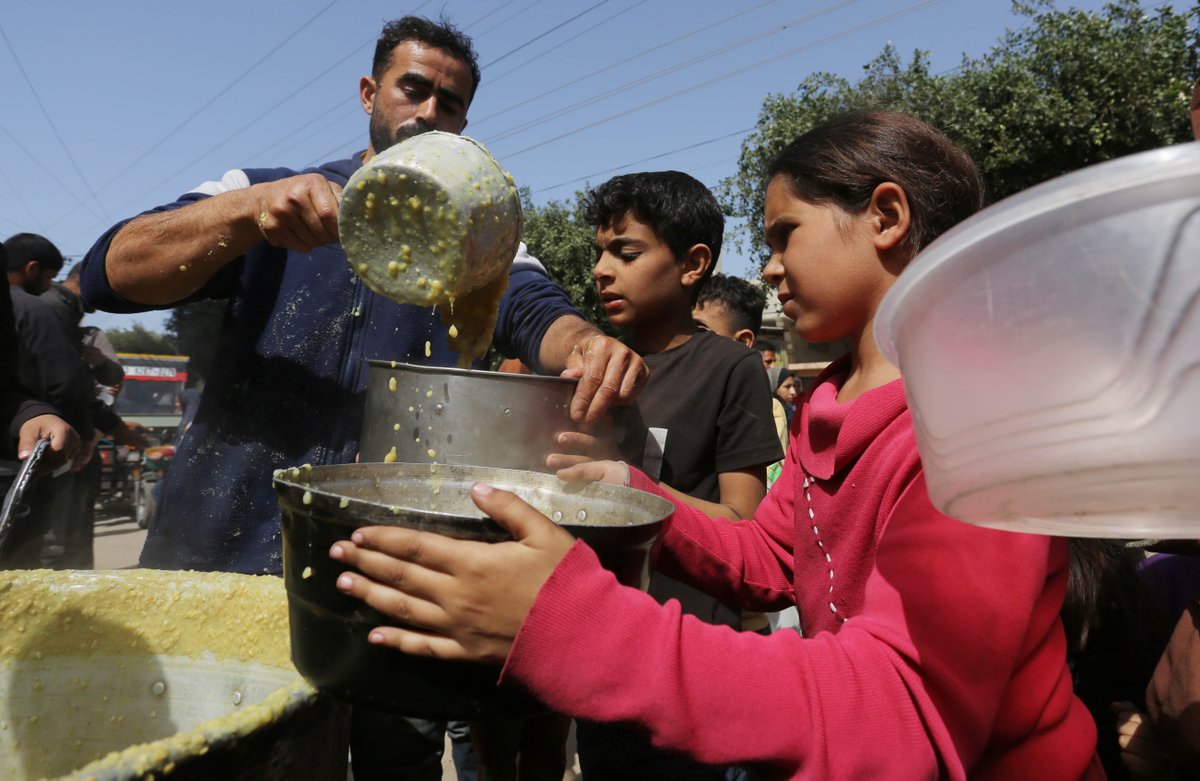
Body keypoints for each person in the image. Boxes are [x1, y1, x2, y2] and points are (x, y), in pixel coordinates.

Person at [328, 111, 1104, 779]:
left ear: (886, 216)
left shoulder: (974, 423)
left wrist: (573, 622)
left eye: (786, 234)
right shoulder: (831, 401)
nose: (768, 265)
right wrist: (633, 497)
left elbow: (903, 709)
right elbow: (772, 556)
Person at [78, 13, 644, 780]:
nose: (428, 113)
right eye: (414, 88)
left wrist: (585, 344)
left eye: (451, 103)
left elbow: (537, 309)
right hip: (220, 552)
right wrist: (251, 216)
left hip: (394, 582)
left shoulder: (482, 229)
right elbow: (113, 269)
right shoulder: (261, 194)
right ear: (369, 91)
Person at [534, 170, 788, 778]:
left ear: (693, 264)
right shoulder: (586, 368)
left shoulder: (729, 368)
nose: (601, 269)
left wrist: (628, 484)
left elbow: (741, 524)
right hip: (598, 640)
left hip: (688, 653)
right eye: (599, 252)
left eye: (625, 252)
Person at [40, 263, 148, 568]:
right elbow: (67, 390)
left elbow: (107, 379)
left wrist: (99, 364)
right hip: (55, 445)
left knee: (70, 534)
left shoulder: (88, 334)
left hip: (77, 444)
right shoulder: (48, 312)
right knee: (52, 540)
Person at [6, 232, 96, 567]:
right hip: (17, 462)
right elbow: (66, 383)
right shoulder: (34, 310)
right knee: (24, 561)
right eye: (48, 278)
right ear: (32, 268)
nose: (49, 287)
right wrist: (81, 435)